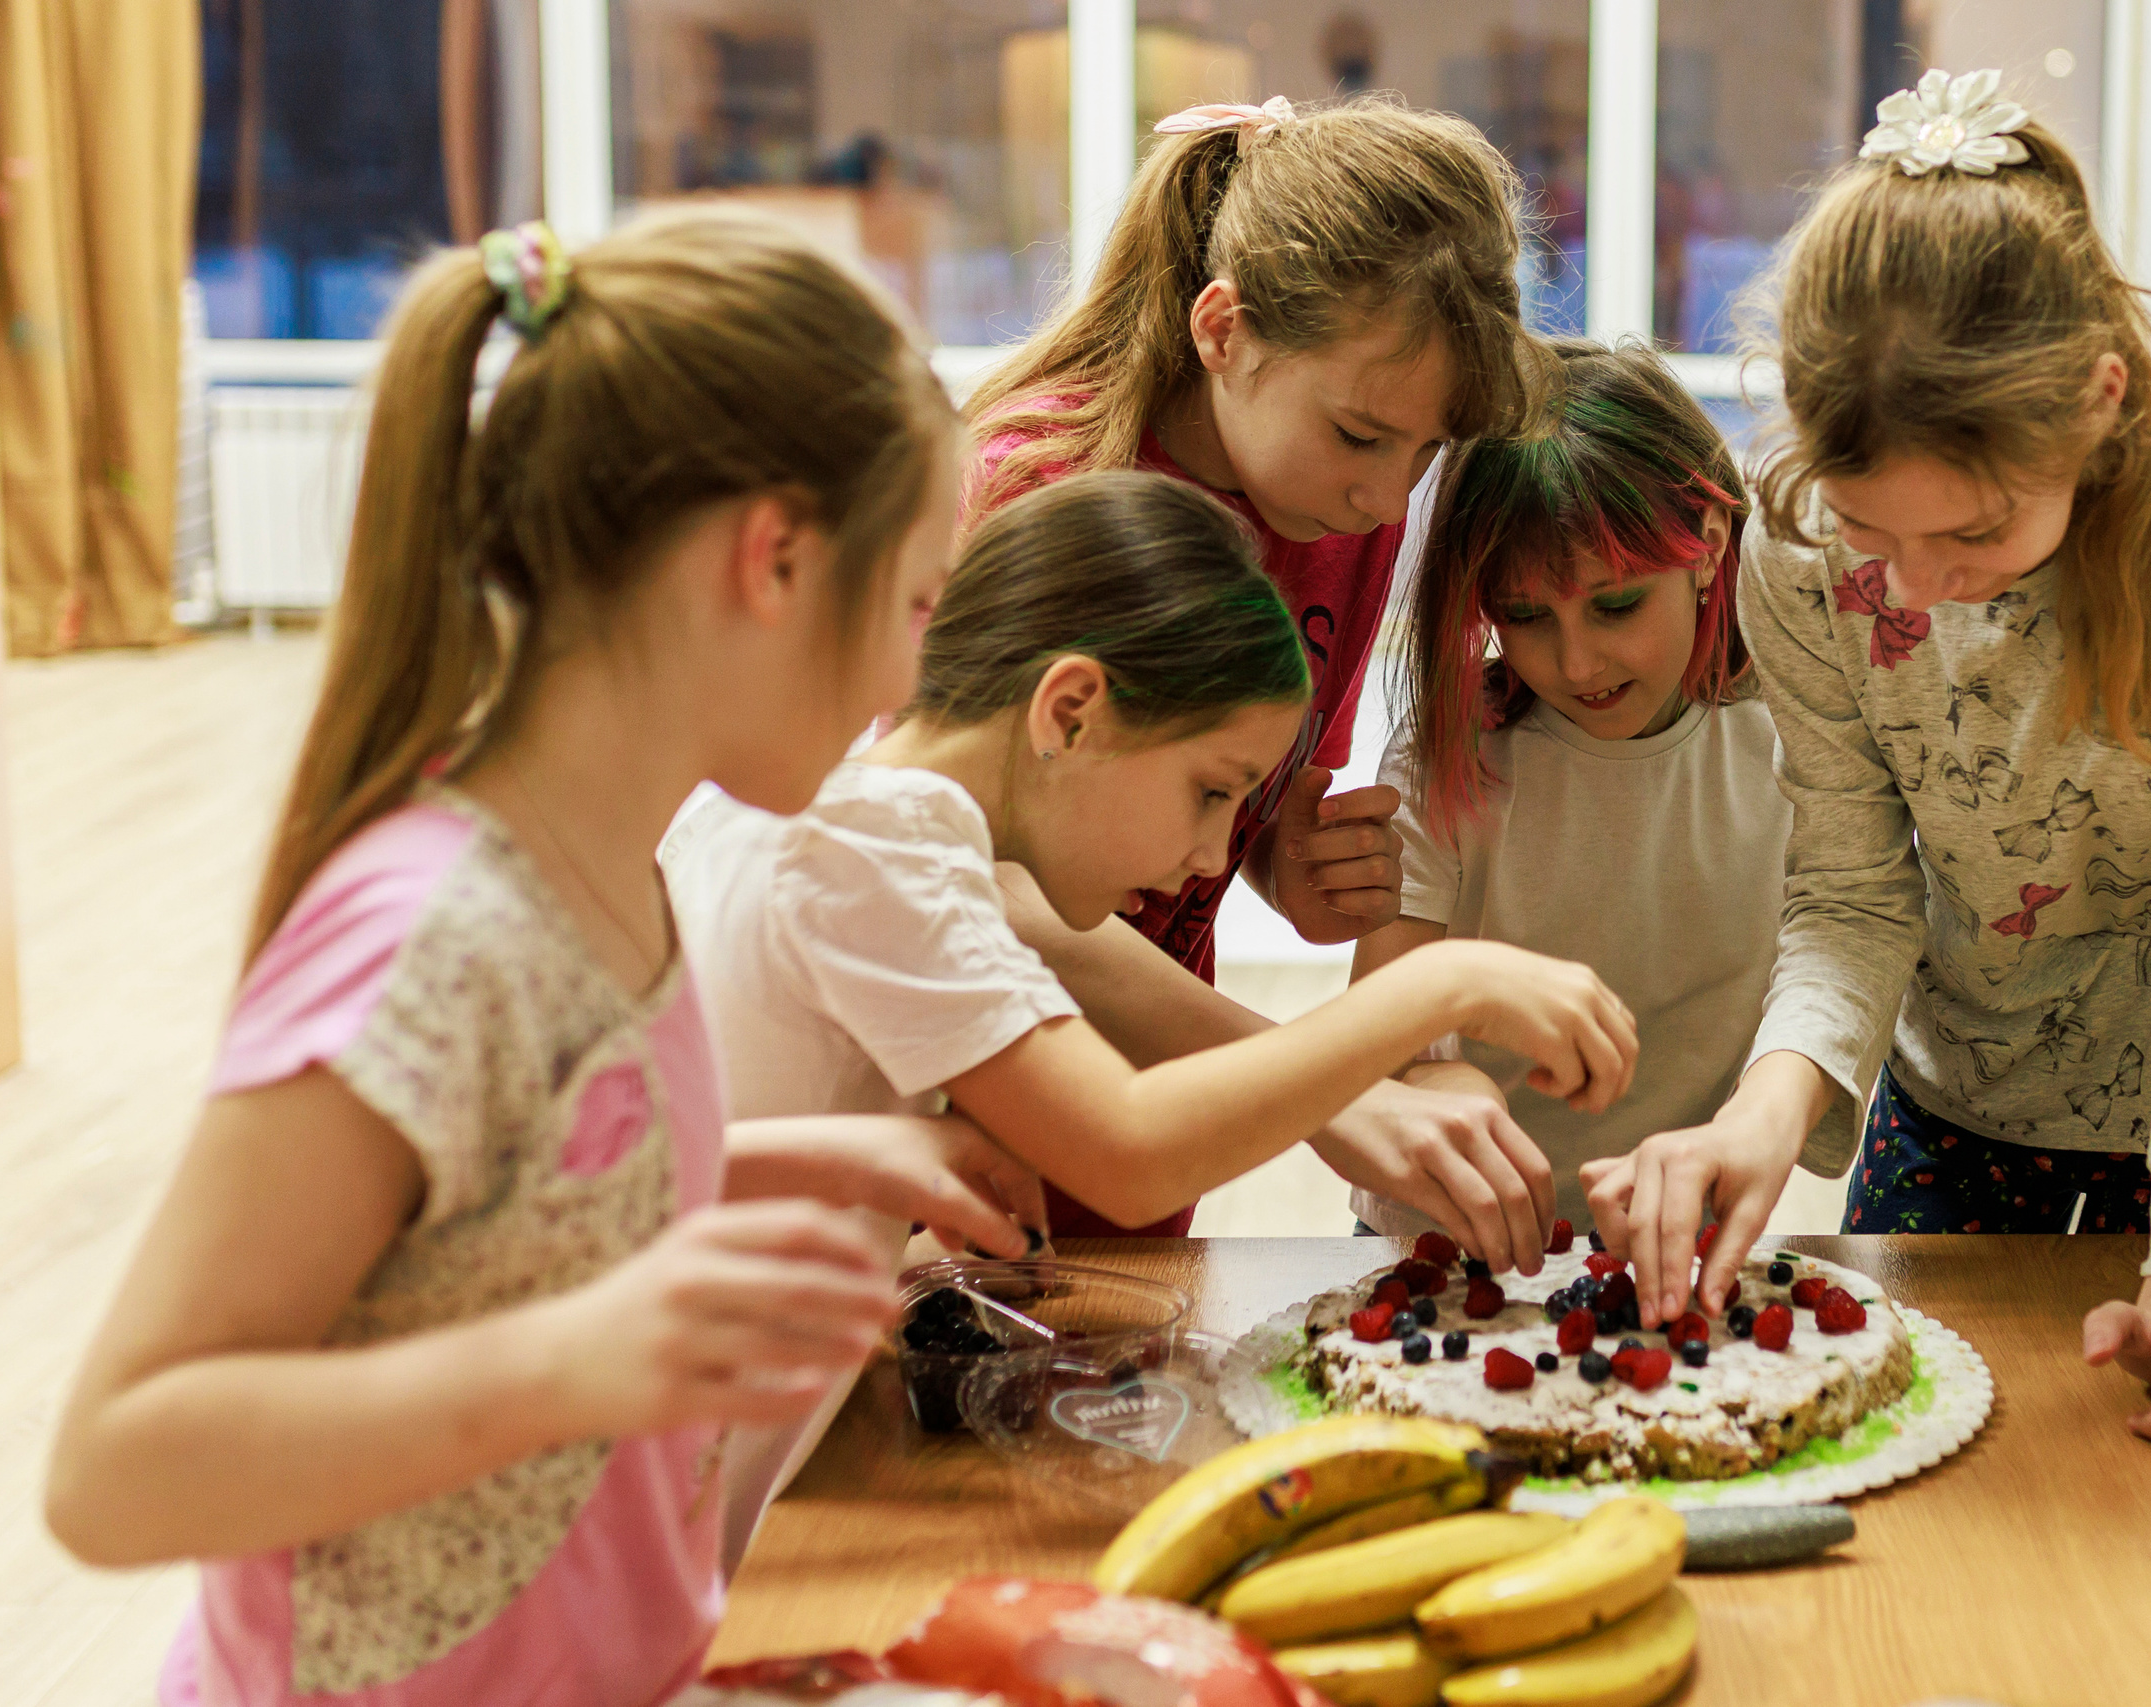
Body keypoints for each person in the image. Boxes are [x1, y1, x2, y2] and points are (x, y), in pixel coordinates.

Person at [44, 210, 1040, 1707]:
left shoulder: (621, 864)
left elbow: (518, 1198)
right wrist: (573, 1363)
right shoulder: (432, 943)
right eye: (916, 603)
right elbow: (113, 1469)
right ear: (774, 556)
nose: (912, 671)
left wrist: (816, 1155)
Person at [1586, 71, 2151, 1444]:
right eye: (1872, 530)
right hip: (1958, 1094)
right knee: (1923, 1452)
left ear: (2100, 400)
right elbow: (1852, 892)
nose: (1915, 589)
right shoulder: (1795, 543)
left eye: (1974, 534)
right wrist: (1765, 1107)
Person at [663, 470, 1639, 1237]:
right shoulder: (883, 854)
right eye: (1211, 790)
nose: (1212, 856)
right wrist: (1443, 986)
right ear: (1070, 712)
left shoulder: (838, 821)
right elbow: (1131, 1155)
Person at [963, 92, 1567, 1258]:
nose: (1386, 500)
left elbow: (1235, 805)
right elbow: (983, 889)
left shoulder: (1341, 510)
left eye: (1426, 451)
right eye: (1360, 436)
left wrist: (1283, 864)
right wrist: (1328, 1089)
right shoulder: (1044, 489)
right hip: (980, 1109)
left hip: (1160, 1121)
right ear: (1223, 329)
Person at [1347, 338, 1786, 1238]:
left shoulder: (1789, 737)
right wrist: (1433, 1076)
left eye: (1616, 604)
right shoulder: (1449, 749)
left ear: (1708, 547)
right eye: (1524, 616)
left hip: (1669, 1225)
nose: (1577, 663)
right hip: (1449, 1230)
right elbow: (1367, 1043)